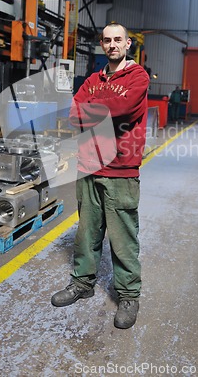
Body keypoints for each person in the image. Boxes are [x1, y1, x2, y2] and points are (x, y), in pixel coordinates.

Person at [51, 23, 150, 329]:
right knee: (87, 232)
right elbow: (72, 112)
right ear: (102, 45)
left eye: (117, 39)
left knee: (122, 238)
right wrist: (95, 109)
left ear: (127, 44)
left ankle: (128, 295)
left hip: (121, 168)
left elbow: (123, 107)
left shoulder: (138, 77)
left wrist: (91, 110)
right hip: (89, 166)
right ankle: (82, 283)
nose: (112, 45)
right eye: (107, 40)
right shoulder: (93, 79)